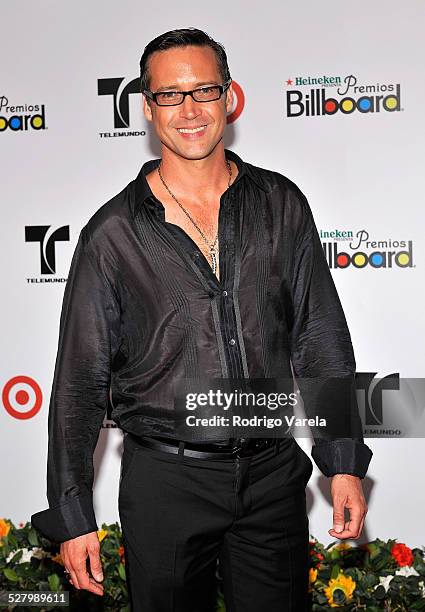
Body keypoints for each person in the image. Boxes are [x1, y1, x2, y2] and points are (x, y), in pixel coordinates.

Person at [31, 27, 373, 612]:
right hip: (166, 483)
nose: (188, 110)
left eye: (203, 91)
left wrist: (341, 460)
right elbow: (79, 382)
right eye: (169, 95)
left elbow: (320, 339)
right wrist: (72, 513)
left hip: (272, 478)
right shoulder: (111, 234)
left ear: (229, 97)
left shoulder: (281, 203)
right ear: (146, 106)